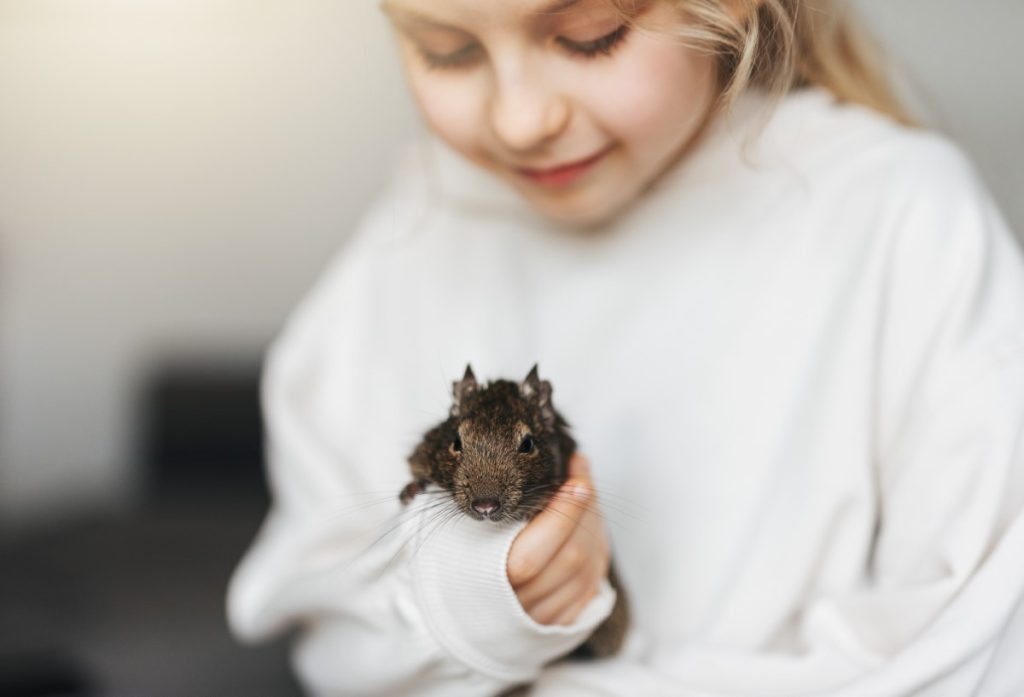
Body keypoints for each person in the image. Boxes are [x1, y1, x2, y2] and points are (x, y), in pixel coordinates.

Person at [226, 0, 1024, 694]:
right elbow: (328, 628)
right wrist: (473, 597)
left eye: (589, 34)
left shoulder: (903, 219)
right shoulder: (416, 230)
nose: (519, 120)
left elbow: (974, 643)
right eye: (447, 48)